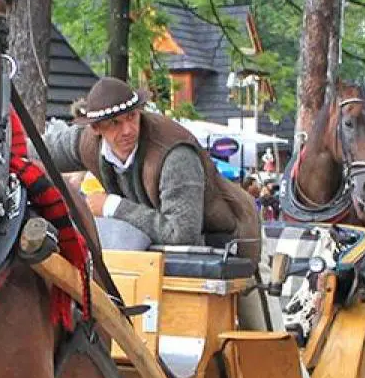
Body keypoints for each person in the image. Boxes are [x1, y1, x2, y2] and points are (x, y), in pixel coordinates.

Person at [43, 77, 260, 255]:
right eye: (115, 123)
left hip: (228, 246)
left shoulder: (175, 155)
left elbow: (182, 236)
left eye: (132, 116)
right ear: (97, 127)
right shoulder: (85, 142)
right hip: (154, 255)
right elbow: (33, 149)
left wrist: (112, 207)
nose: (128, 129)